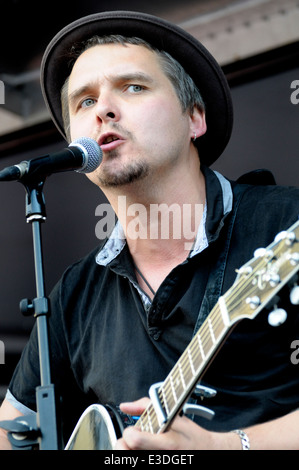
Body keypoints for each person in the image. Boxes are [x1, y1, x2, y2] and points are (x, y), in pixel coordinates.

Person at [0, 11, 299, 451]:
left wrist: (229, 446)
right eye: (84, 102)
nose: (103, 109)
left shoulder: (285, 223)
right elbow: (11, 433)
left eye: (133, 87)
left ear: (195, 117)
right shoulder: (74, 295)